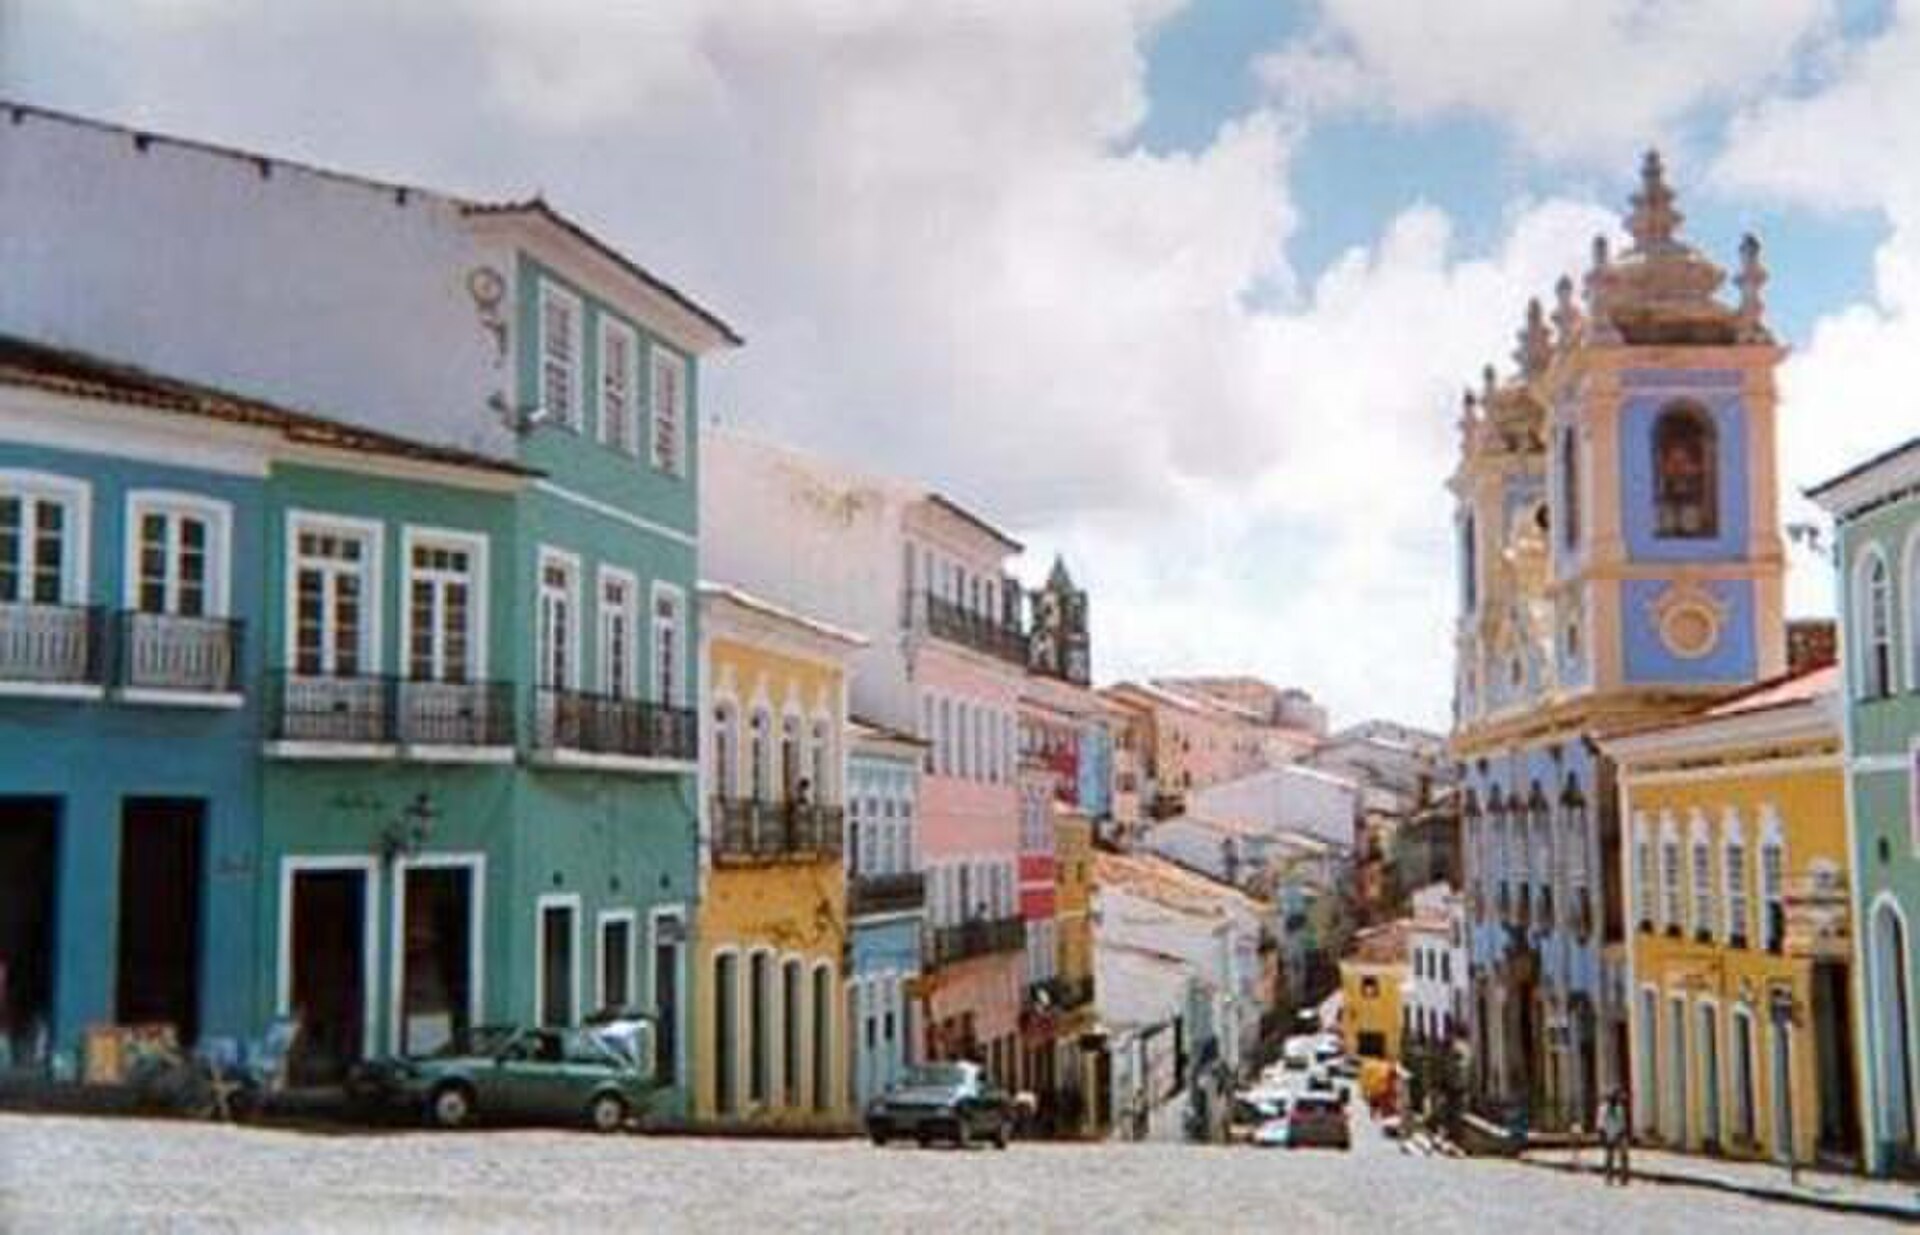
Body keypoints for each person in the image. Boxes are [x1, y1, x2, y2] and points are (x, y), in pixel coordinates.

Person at [1597, 1088, 1630, 1186]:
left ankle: (1624, 1177)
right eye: (1616, 1097)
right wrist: (1602, 1135)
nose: (1618, 1099)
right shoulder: (1603, 1108)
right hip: (1608, 1134)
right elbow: (1600, 1123)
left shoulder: (1620, 1108)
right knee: (1609, 1157)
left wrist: (1624, 1132)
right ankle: (1609, 1177)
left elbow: (1622, 1122)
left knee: (1624, 1156)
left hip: (1619, 1134)